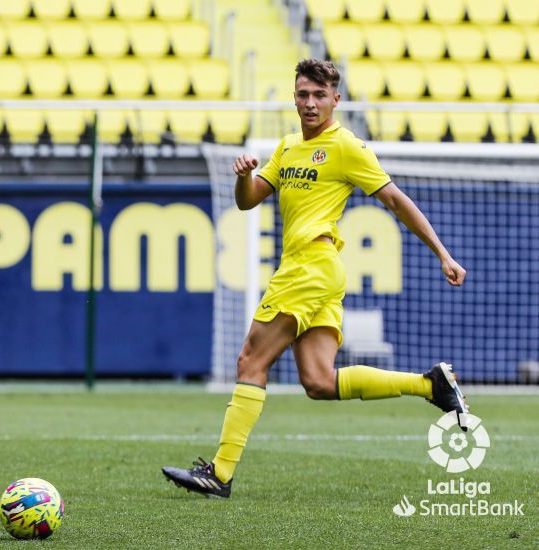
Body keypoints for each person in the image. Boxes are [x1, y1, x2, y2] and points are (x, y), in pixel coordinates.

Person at [162, 59, 469, 499]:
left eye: (319, 96)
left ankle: (220, 473)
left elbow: (397, 202)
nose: (310, 103)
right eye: (303, 94)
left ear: (335, 100)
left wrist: (443, 254)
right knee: (319, 382)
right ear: (294, 96)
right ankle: (429, 384)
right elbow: (248, 202)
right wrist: (245, 174)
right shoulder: (287, 148)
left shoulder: (346, 147)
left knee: (251, 362)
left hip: (310, 267)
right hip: (318, 273)